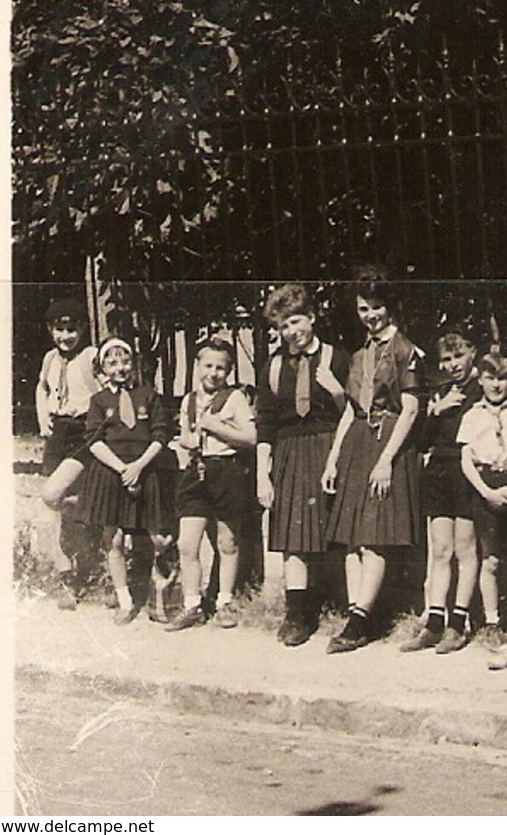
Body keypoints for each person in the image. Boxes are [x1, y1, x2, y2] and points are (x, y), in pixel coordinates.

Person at [321, 272, 425, 654]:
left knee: (374, 536)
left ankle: (360, 619)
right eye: (363, 308)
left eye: (377, 307)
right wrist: (333, 458)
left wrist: (385, 461)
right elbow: (351, 410)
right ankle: (356, 613)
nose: (370, 315)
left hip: (388, 445)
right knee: (352, 538)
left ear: (391, 307)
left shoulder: (405, 351)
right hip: (358, 444)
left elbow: (411, 410)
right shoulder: (361, 354)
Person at [256, 283, 352, 647]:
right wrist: (264, 474)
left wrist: (338, 391)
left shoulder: (337, 358)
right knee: (293, 537)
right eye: (282, 326)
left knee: (331, 530)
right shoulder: (273, 365)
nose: (291, 332)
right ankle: (297, 614)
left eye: (295, 321)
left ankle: (341, 603)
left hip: (329, 448)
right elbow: (265, 422)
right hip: (289, 452)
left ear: (311, 318)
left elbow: (353, 414)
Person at [73, 336, 178, 624]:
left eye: (125, 361)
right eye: (112, 362)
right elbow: (94, 442)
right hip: (111, 473)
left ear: (133, 364)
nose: (120, 367)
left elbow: (160, 435)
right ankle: (124, 599)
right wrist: (122, 468)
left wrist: (139, 466)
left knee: (158, 536)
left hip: (147, 470)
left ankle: (162, 590)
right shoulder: (98, 401)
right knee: (114, 537)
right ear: (102, 368)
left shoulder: (148, 395)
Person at [167, 338, 258, 631]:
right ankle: (192, 603)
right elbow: (185, 434)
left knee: (227, 542)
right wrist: (188, 439)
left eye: (221, 368)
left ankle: (224, 603)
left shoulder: (235, 398)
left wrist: (216, 426)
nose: (213, 373)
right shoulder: (189, 400)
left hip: (227, 471)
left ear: (228, 371)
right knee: (186, 543)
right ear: (197, 366)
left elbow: (251, 437)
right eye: (208, 365)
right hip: (196, 472)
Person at [404, 332, 486, 654]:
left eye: (459, 356)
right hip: (438, 470)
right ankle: (434, 624)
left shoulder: (483, 389)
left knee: (465, 549)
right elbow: (422, 442)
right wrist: (436, 411)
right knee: (440, 548)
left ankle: (458, 623)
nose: (453, 365)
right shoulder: (440, 392)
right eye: (447, 360)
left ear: (472, 354)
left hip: (466, 471)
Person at [456, 353, 507, 660]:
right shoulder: (472, 416)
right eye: (490, 378)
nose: (496, 385)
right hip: (485, 483)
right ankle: (492, 620)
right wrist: (487, 491)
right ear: (480, 380)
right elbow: (466, 460)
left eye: (502, 378)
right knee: (489, 559)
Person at [35, 298, 103, 609]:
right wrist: (41, 416)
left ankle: (82, 566)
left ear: (84, 329)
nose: (66, 336)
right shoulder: (50, 358)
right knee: (56, 507)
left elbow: (106, 390)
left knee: (55, 496)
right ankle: (74, 573)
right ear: (50, 330)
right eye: (60, 329)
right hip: (57, 432)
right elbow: (41, 388)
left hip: (83, 430)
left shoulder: (91, 357)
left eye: (72, 329)